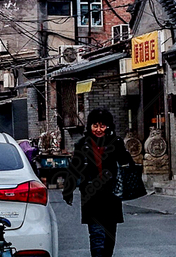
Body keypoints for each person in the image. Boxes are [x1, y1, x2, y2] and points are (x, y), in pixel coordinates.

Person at [63, 108, 136, 257]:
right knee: (96, 235)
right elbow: (74, 169)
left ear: (108, 126)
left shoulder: (116, 143)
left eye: (102, 126)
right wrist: (68, 190)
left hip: (112, 195)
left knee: (109, 234)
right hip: (91, 196)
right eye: (95, 126)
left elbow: (127, 164)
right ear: (90, 126)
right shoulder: (82, 145)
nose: (98, 129)